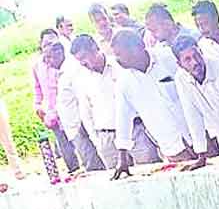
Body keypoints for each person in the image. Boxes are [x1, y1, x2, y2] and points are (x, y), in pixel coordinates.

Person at [110, 28, 202, 176]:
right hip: (173, 150)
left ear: (138, 47)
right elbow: (123, 120)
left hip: (202, 137)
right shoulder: (124, 83)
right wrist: (123, 157)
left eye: (120, 54)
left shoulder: (168, 58)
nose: (117, 60)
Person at [68, 34, 161, 170]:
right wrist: (97, 141)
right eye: (79, 60)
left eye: (84, 57)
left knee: (149, 170)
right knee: (118, 180)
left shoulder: (121, 65)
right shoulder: (81, 79)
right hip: (107, 137)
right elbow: (86, 113)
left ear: (95, 48)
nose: (83, 63)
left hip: (135, 131)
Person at [46, 37, 105, 173]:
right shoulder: (62, 73)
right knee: (88, 163)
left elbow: (82, 99)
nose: (48, 62)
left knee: (94, 166)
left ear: (60, 53)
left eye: (50, 58)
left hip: (80, 127)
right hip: (73, 128)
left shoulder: (72, 71)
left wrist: (83, 125)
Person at [31, 29, 78, 173]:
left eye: (53, 43)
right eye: (46, 44)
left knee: (80, 141)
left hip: (70, 109)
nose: (49, 47)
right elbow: (37, 88)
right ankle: (74, 171)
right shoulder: (37, 65)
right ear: (41, 45)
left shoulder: (65, 62)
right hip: (51, 113)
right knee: (64, 145)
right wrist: (38, 107)